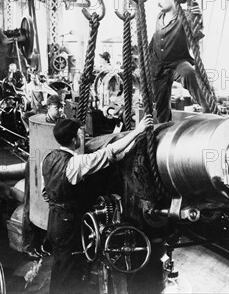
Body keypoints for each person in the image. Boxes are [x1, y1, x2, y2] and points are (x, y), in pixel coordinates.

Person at [42, 115, 154, 294]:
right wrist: (138, 131)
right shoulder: (75, 163)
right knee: (70, 270)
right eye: (80, 135)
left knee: (61, 266)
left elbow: (45, 193)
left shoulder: (48, 158)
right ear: (74, 140)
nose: (83, 138)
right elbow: (107, 152)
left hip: (54, 221)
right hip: (70, 224)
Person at [149, 0, 204, 123]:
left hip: (177, 62)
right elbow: (156, 37)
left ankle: (208, 108)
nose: (158, 2)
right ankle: (163, 128)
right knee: (160, 104)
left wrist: (197, 16)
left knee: (189, 74)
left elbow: (196, 33)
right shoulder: (160, 16)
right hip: (158, 66)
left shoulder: (185, 16)